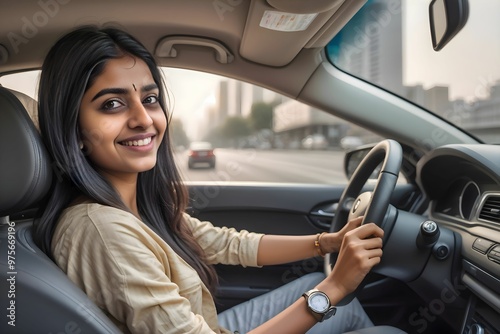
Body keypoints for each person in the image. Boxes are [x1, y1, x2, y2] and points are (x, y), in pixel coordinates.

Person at [33, 26, 386, 334]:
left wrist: (328, 241)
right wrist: (335, 286)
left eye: (150, 99)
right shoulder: (102, 231)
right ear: (74, 129)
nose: (144, 119)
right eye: (112, 104)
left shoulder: (135, 207)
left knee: (316, 285)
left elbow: (227, 244)